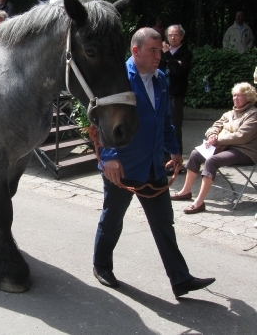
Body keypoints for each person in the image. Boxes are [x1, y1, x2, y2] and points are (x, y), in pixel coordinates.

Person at [93, 27, 215, 297]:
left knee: (163, 223)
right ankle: (101, 265)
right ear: (135, 51)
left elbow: (164, 119)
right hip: (122, 166)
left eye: (160, 50)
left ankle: (180, 279)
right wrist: (110, 158)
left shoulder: (160, 78)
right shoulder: (118, 77)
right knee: (112, 219)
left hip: (153, 165)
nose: (159, 55)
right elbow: (99, 121)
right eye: (153, 50)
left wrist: (174, 151)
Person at [171, 82, 257, 214]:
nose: (235, 98)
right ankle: (186, 191)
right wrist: (212, 135)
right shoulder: (229, 114)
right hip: (225, 148)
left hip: (245, 151)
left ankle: (199, 202)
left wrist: (217, 140)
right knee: (195, 154)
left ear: (249, 97)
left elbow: (242, 136)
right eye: (234, 96)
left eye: (239, 96)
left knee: (212, 161)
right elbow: (214, 127)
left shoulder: (253, 114)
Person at [159, 24, 193, 174]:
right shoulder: (160, 52)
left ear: (182, 37)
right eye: (170, 35)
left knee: (174, 128)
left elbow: (178, 71)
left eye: (176, 35)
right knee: (160, 126)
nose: (173, 37)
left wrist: (167, 55)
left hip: (175, 95)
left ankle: (176, 163)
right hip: (160, 93)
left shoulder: (185, 53)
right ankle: (164, 160)